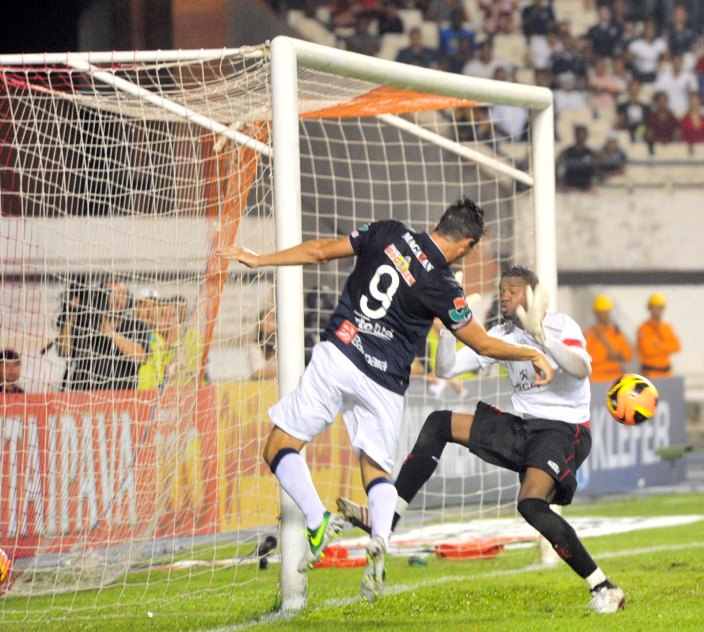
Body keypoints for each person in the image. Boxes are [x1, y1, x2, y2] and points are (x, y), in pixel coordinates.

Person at [217, 198, 554, 604]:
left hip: (340, 353)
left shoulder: (388, 232)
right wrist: (532, 353)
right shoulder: (445, 287)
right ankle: (379, 539)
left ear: (436, 221)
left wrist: (259, 259)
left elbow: (320, 251)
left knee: (279, 446)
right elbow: (481, 343)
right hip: (386, 382)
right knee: (376, 470)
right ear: (466, 244)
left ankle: (316, 518)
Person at [336, 266, 626, 614]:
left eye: (513, 290)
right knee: (440, 423)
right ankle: (387, 520)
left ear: (533, 295)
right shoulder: (499, 334)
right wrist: (445, 331)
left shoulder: (560, 325)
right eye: (501, 290)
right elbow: (446, 370)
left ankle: (604, 587)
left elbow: (582, 369)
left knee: (530, 504)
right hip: (524, 428)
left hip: (565, 431)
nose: (504, 296)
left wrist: (541, 337)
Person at [584, 295, 632, 382]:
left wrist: (619, 355)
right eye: (601, 312)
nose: (604, 315)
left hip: (616, 376)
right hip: (597, 378)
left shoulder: (616, 331)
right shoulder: (591, 333)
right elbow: (586, 357)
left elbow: (628, 354)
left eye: (606, 312)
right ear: (596, 313)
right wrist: (606, 356)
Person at [636, 293, 681, 379]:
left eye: (660, 308)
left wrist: (659, 345)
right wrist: (666, 347)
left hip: (666, 373)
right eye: (654, 307)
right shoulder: (643, 328)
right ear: (649, 308)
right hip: (649, 373)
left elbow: (677, 346)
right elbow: (648, 350)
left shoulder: (667, 327)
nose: (657, 310)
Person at [654, 52, 697, 117]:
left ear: (682, 62)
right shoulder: (664, 76)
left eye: (679, 61)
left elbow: (694, 94)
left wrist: (688, 89)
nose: (677, 63)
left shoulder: (690, 77)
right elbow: (657, 93)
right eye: (675, 61)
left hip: (684, 110)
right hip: (667, 111)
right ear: (671, 62)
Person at [626, 20, 667, 84]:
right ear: (645, 30)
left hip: (655, 74)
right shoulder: (636, 44)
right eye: (649, 28)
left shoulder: (660, 43)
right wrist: (636, 57)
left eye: (652, 29)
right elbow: (628, 58)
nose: (651, 31)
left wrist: (661, 60)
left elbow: (667, 57)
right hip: (639, 75)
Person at [557, 125, 595, 191]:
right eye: (579, 135)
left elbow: (596, 168)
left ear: (586, 136)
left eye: (583, 135)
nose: (581, 137)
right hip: (569, 184)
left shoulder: (591, 153)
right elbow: (558, 164)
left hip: (585, 184)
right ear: (575, 135)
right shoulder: (566, 152)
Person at [249, 308, 278, 380]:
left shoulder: (283, 345)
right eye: (266, 320)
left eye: (271, 319)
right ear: (260, 325)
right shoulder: (255, 347)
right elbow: (258, 372)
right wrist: (284, 372)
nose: (268, 323)